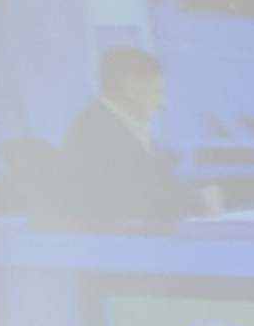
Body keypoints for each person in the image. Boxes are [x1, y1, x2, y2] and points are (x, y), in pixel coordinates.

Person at [45, 43, 190, 231]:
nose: (162, 104)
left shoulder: (119, 127)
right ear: (131, 87)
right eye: (157, 92)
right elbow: (140, 199)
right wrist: (197, 202)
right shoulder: (98, 131)